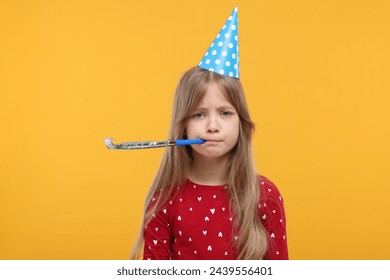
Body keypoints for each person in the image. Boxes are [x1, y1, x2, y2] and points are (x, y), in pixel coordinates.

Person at [130, 8, 288, 260]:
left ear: (242, 123)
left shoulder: (266, 196)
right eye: (198, 114)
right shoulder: (164, 201)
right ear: (182, 126)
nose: (212, 126)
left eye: (225, 113)